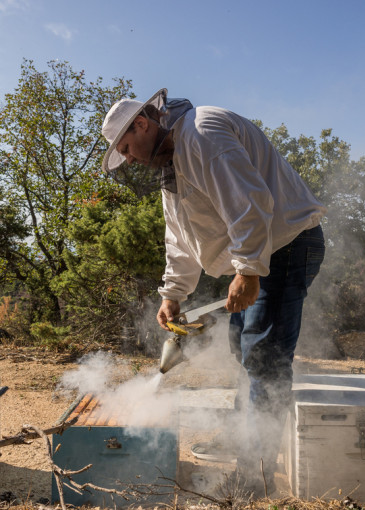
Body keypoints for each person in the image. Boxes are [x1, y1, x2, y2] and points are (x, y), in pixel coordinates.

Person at [102, 88, 326, 495]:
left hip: (284, 246)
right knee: (243, 347)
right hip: (260, 254)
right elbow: (180, 237)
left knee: (265, 359)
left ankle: (255, 477)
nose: (130, 158)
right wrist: (173, 294)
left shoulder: (201, 133)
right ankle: (246, 439)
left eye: (127, 147)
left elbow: (250, 202)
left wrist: (250, 270)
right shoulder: (172, 165)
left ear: (142, 123)